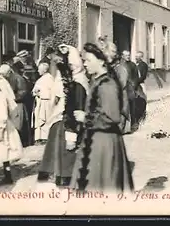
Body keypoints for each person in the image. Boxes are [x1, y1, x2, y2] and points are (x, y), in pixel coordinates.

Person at [70, 43, 134, 192]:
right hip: (95, 139)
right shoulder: (98, 81)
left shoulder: (107, 84)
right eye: (84, 60)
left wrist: (85, 118)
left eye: (88, 60)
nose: (84, 64)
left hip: (104, 143)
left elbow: (112, 118)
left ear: (101, 61)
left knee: (101, 187)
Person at [37, 44, 89, 187]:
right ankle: (60, 174)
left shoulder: (78, 83)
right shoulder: (70, 80)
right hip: (66, 118)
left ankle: (66, 176)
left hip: (72, 121)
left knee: (68, 147)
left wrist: (72, 133)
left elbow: (76, 107)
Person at [0, 64, 29, 145]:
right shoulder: (5, 79)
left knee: (18, 125)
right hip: (9, 104)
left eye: (4, 74)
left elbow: (23, 92)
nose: (3, 76)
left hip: (17, 104)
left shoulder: (18, 78)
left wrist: (12, 98)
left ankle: (21, 142)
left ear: (9, 72)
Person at [32, 62, 54, 143]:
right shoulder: (41, 79)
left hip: (46, 102)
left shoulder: (49, 79)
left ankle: (45, 137)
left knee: (45, 119)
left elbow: (51, 92)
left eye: (39, 69)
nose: (38, 71)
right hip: (40, 102)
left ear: (44, 70)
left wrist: (39, 93)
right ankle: (40, 137)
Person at [122, 50, 140, 131]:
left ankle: (133, 123)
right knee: (124, 107)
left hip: (131, 88)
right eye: (126, 55)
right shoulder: (121, 65)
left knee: (132, 107)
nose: (128, 57)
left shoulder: (132, 65)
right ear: (122, 56)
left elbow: (136, 77)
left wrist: (134, 86)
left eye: (129, 55)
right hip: (123, 89)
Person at [134, 51, 148, 124]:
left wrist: (137, 81)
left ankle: (143, 114)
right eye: (136, 56)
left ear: (141, 57)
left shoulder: (144, 65)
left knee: (143, 98)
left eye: (138, 56)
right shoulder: (134, 65)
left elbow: (143, 76)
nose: (136, 58)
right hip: (134, 84)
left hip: (140, 83)